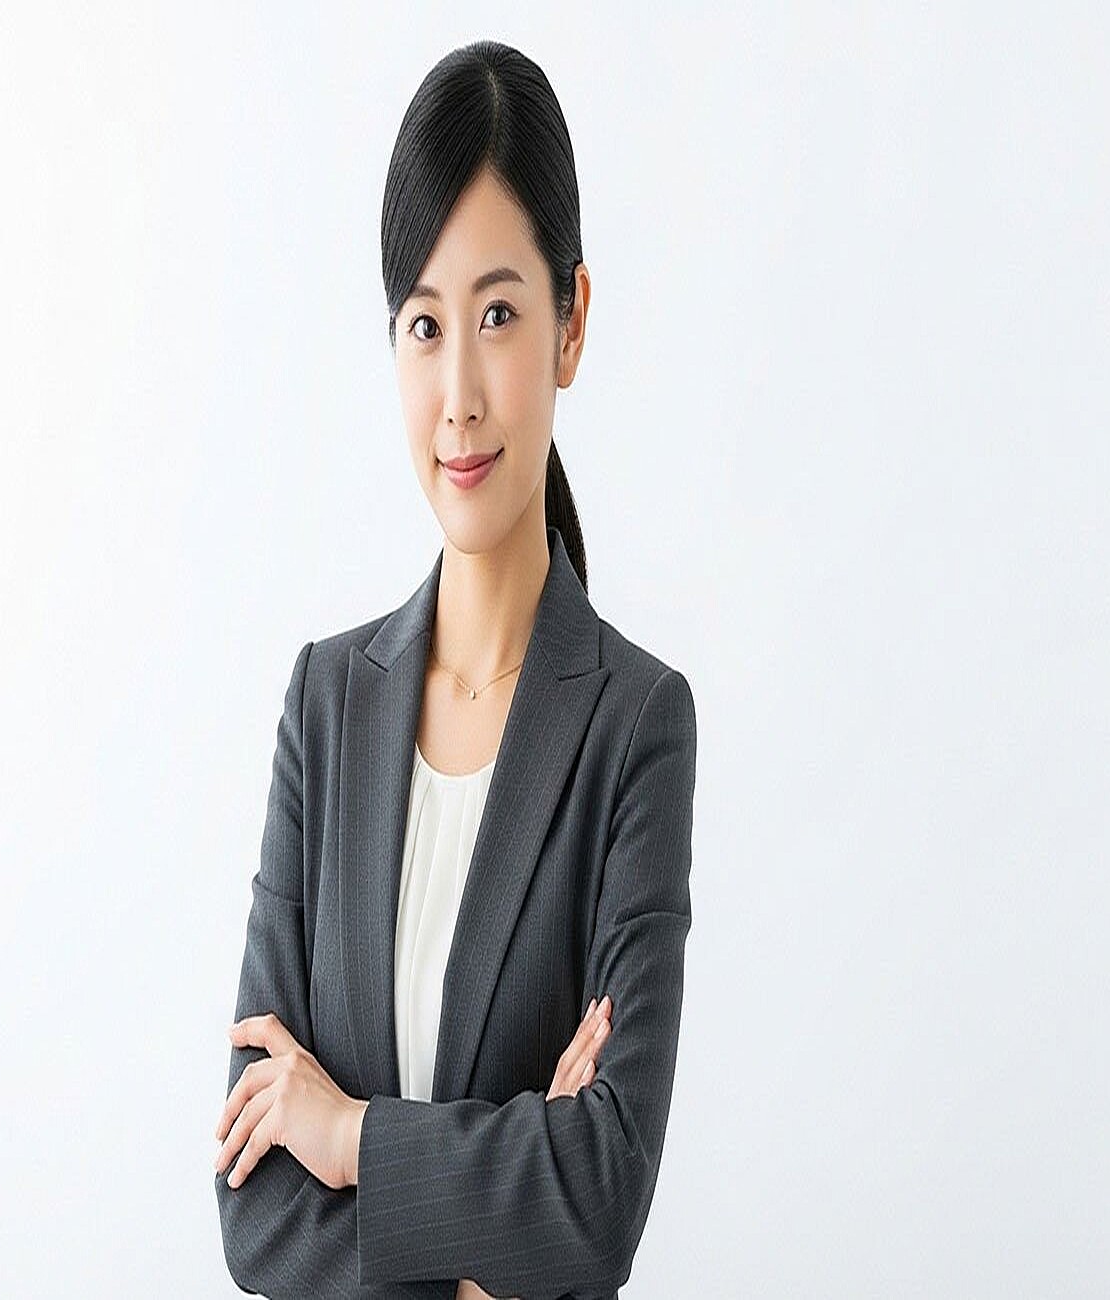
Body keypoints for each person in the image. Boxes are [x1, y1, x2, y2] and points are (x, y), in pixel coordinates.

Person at [213, 39, 697, 1300]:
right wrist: (490, 1257)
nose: (460, 396)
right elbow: (253, 1212)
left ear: (571, 322)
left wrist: (349, 1137)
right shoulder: (326, 707)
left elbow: (599, 1195)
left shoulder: (635, 726)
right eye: (425, 326)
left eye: (498, 314)